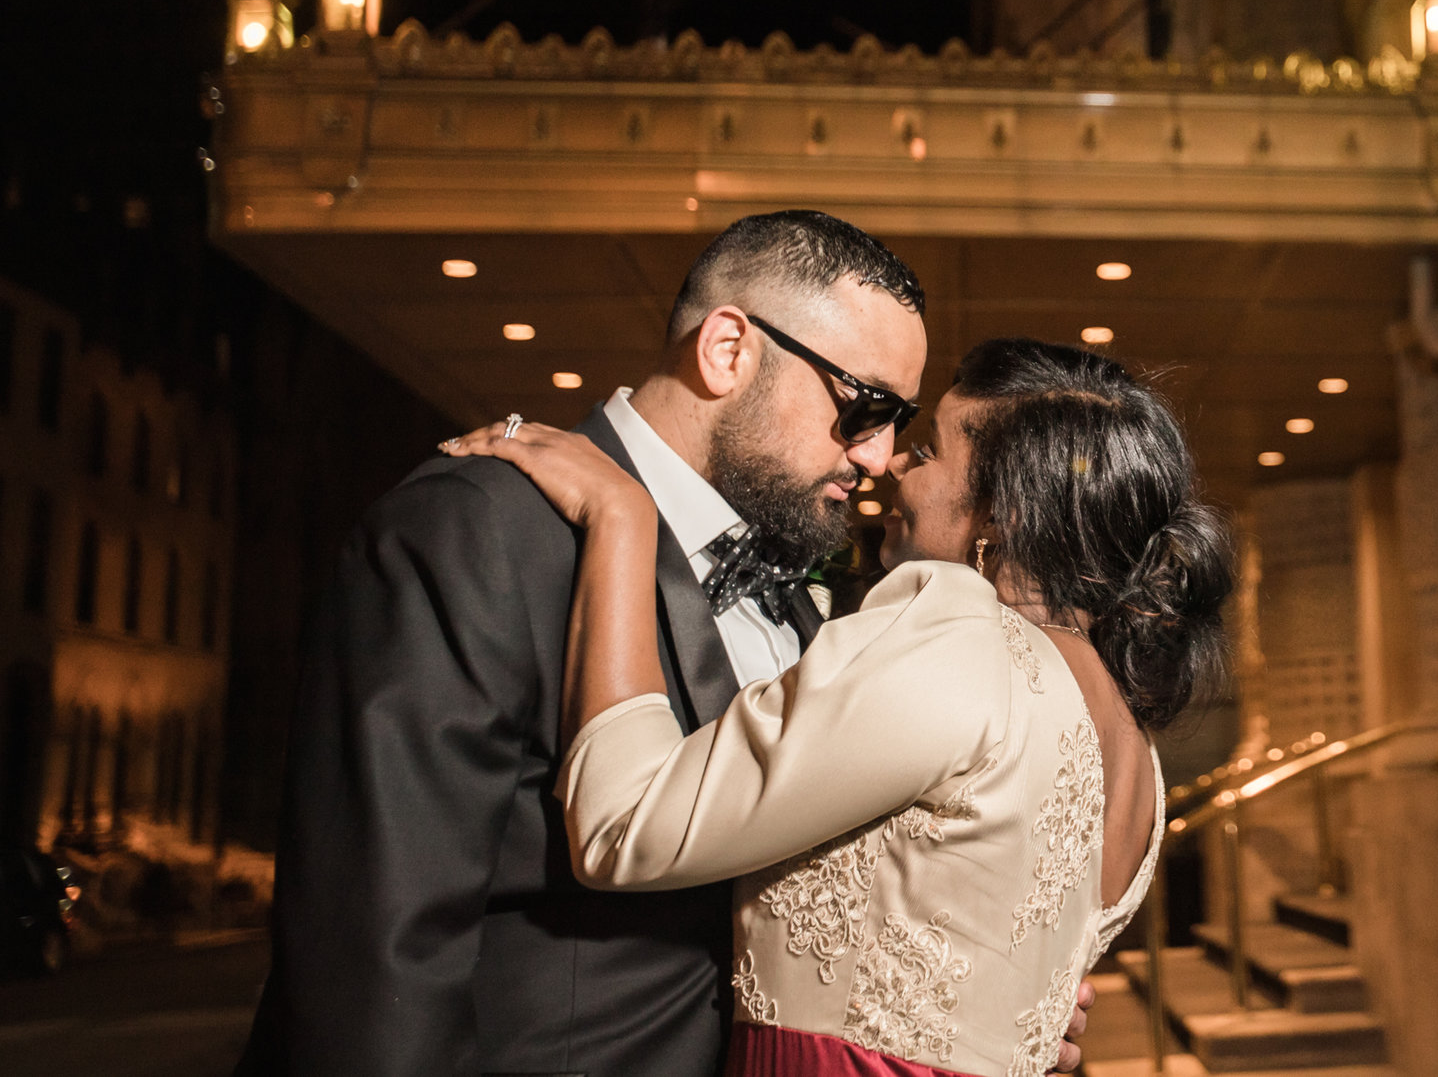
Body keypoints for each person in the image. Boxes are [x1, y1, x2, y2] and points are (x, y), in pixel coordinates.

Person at [236, 211, 1099, 1077]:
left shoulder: (822, 610)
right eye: (864, 407)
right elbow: (373, 962)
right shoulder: (477, 530)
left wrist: (982, 1005)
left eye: (898, 421)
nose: (878, 456)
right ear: (729, 350)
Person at [441, 336, 1233, 1077]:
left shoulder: (959, 635)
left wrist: (621, 515)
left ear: (1004, 515)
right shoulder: (1134, 747)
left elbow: (627, 823)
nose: (892, 466)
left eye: (928, 452)